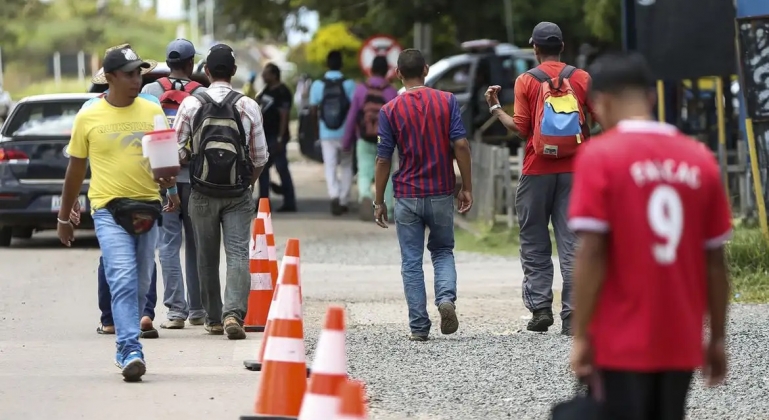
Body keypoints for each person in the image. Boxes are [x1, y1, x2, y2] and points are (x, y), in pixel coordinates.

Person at [568, 52, 730, 419]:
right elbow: (716, 262)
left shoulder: (600, 156)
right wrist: (717, 338)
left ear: (601, 103)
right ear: (651, 97)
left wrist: (581, 335)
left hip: (619, 338)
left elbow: (592, 252)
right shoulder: (699, 159)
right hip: (681, 337)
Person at [57, 45, 175, 381]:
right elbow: (75, 171)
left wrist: (169, 185)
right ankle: (129, 348)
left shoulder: (152, 109)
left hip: (147, 208)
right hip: (108, 210)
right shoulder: (88, 115)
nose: (137, 79)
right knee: (122, 277)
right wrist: (64, 218)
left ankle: (126, 343)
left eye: (140, 72)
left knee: (140, 283)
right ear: (109, 78)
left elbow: (163, 162)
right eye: (129, 73)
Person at [485, 22, 596, 335]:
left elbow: (521, 128)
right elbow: (600, 119)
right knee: (572, 241)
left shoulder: (526, 80)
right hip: (576, 171)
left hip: (536, 170)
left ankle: (541, 309)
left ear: (535, 48)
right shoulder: (582, 78)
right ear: (562, 46)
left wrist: (495, 109)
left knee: (534, 239)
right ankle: (573, 314)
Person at [374, 49, 473, 341]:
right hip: (441, 191)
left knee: (411, 261)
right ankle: (445, 300)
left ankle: (419, 326)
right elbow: (462, 145)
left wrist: (379, 200)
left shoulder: (389, 110)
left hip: (406, 195)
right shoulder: (447, 101)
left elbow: (383, 159)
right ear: (427, 70)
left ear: (399, 74)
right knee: (442, 251)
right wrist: (466, 186)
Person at [175, 44, 269, 340]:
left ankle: (214, 318)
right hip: (238, 191)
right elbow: (260, 157)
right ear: (234, 72)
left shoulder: (191, 103)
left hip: (200, 191)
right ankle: (234, 315)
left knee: (205, 254)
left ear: (205, 72)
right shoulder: (248, 105)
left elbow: (176, 150)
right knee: (239, 253)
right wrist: (247, 184)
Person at [141, 38, 208, 330]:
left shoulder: (149, 92)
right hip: (195, 179)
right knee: (197, 244)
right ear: (192, 63)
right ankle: (198, 310)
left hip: (162, 178)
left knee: (168, 243)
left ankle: (176, 311)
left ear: (168, 63)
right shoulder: (203, 94)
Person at [342, 56, 398, 221]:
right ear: (387, 71)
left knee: (365, 172)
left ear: (371, 69)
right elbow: (398, 119)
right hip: (386, 140)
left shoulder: (361, 89)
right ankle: (387, 204)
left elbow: (352, 117)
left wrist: (346, 141)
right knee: (385, 172)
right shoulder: (391, 91)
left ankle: (365, 196)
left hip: (364, 138)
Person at [309, 50, 357, 216]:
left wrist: (316, 133)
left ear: (327, 65)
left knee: (329, 166)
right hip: (345, 133)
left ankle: (334, 195)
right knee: (346, 165)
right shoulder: (350, 84)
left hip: (326, 132)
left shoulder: (317, 85)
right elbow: (355, 110)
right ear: (341, 64)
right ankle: (344, 200)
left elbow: (314, 111)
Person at [256, 62, 297, 212]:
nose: (263, 76)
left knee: (281, 168)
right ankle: (263, 202)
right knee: (263, 169)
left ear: (274, 75)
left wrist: (280, 137)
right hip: (264, 136)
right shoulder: (266, 90)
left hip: (276, 136)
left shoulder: (282, 92)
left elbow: (284, 115)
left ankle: (289, 201)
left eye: (266, 73)